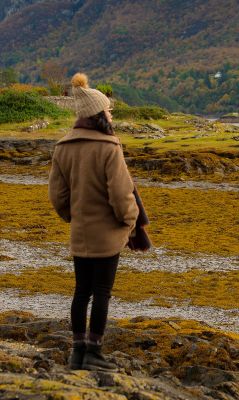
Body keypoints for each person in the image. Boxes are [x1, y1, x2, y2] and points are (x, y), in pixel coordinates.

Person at [48, 73, 139, 371]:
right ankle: (95, 354)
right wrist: (129, 222)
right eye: (109, 110)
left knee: (80, 292)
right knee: (102, 292)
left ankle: (77, 353)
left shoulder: (63, 147)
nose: (111, 114)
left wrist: (73, 218)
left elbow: (57, 196)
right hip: (108, 234)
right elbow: (122, 194)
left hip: (80, 231)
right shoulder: (109, 148)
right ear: (99, 114)